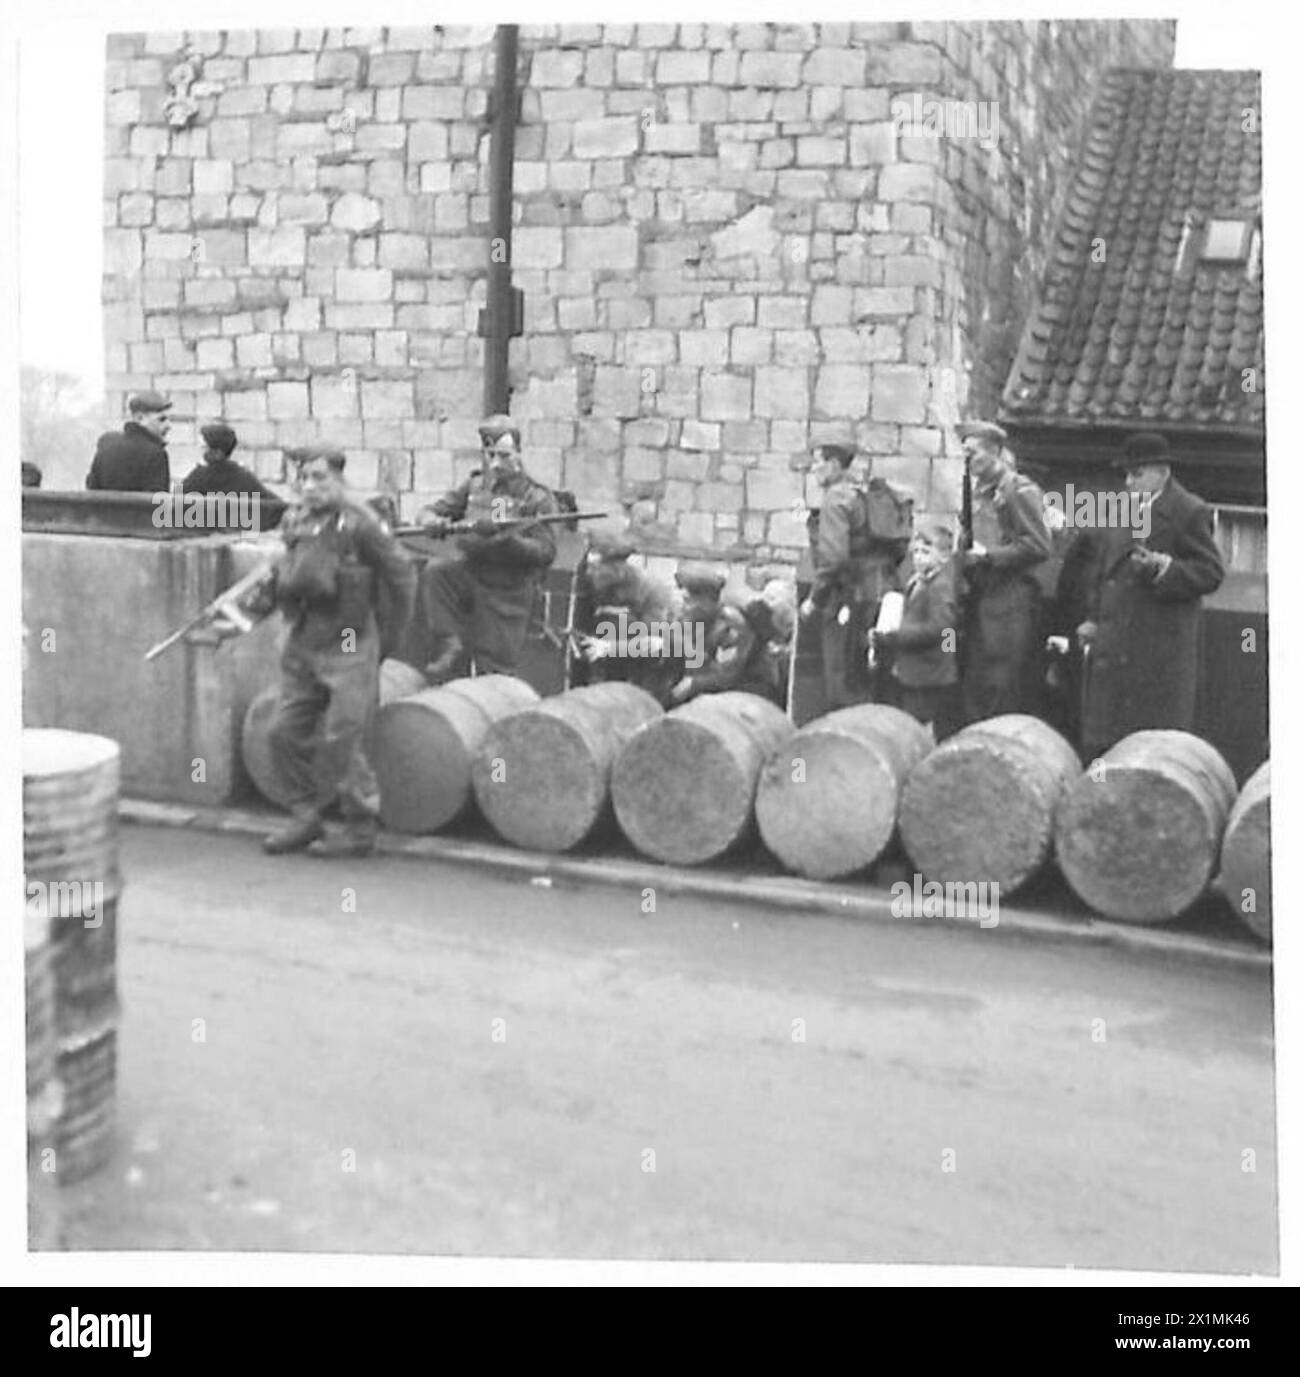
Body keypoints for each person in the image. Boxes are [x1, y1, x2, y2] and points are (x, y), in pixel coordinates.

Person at [237, 446, 416, 858]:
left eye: (320, 478)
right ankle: (305, 816)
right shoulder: (295, 520)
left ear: (339, 479)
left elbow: (402, 579)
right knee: (283, 731)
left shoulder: (362, 523)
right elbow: (286, 569)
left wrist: (388, 640)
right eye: (304, 478)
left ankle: (360, 828)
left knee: (342, 738)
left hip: (350, 644)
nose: (311, 487)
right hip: (304, 640)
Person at [1076, 432, 1225, 759]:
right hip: (1113, 646)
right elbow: (1103, 572)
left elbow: (1211, 572)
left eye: (1137, 474)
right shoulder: (1121, 509)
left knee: (1149, 745)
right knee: (1106, 743)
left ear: (1163, 472)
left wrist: (1165, 568)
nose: (1129, 482)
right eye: (1126, 474)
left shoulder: (1189, 511)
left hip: (1157, 650)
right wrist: (1091, 618)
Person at [412, 415, 560, 681]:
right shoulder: (475, 485)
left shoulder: (536, 497)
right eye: (490, 454)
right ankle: (449, 643)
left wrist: (507, 539)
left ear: (518, 453)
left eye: (504, 455)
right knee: (438, 571)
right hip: (471, 574)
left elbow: (546, 552)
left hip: (507, 589)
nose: (496, 464)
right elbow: (428, 511)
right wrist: (433, 521)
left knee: (495, 672)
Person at [799, 443, 911, 710]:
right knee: (876, 669)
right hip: (885, 592)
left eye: (818, 462)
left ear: (836, 465)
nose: (813, 469)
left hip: (851, 597)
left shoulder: (836, 498)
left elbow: (833, 559)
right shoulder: (865, 495)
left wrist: (815, 600)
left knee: (843, 675)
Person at [958, 420, 1052, 723]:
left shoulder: (1018, 490)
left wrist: (989, 556)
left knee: (1002, 680)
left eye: (974, 453)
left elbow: (1039, 546)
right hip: (981, 594)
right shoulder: (977, 492)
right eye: (965, 453)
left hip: (1011, 597)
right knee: (977, 679)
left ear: (995, 452)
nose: (968, 460)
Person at [872, 523, 962, 741]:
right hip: (913, 668)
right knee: (910, 719)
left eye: (926, 552)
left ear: (943, 557)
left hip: (928, 672)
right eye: (917, 552)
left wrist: (897, 636)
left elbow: (940, 628)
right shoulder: (917, 581)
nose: (919, 558)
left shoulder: (940, 587)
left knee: (921, 724)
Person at [573, 532, 683, 704]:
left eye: (596, 567)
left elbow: (653, 645)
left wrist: (609, 648)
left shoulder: (651, 591)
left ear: (617, 568)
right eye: (588, 567)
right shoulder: (601, 584)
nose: (589, 573)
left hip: (660, 660)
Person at [669, 564, 782, 706]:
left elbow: (729, 674)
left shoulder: (731, 625)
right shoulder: (692, 622)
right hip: (715, 688)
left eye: (689, 601)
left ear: (708, 601)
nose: (683, 607)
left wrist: (694, 684)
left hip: (750, 690)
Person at [180, 423, 286, 529]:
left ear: (217, 453)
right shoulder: (243, 476)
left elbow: (174, 504)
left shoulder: (199, 477)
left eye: (204, 447)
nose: (201, 451)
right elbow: (277, 505)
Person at [86, 391, 172, 492]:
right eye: (161, 419)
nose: (168, 426)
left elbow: (91, 491)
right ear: (140, 419)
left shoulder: (106, 449)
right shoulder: (156, 455)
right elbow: (158, 502)